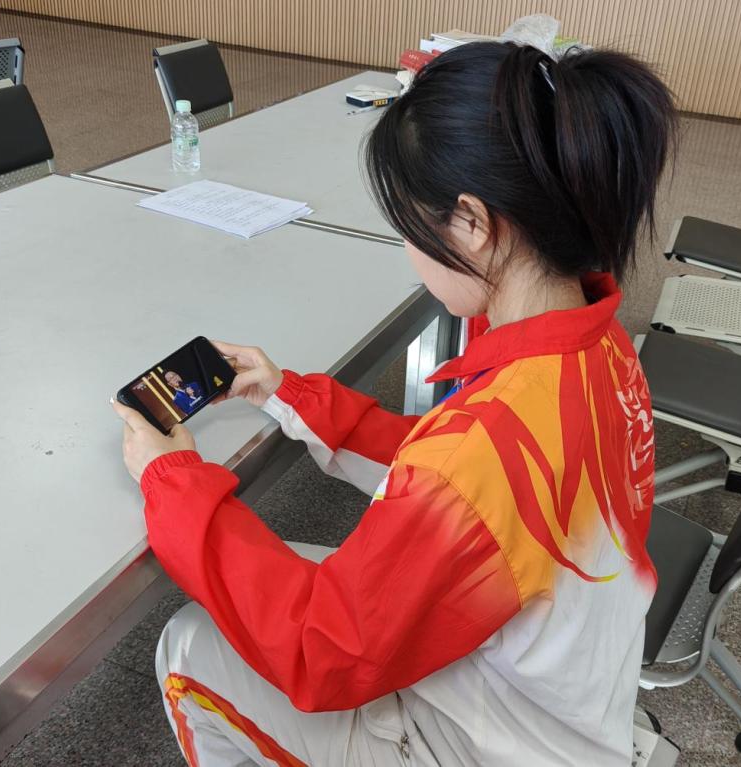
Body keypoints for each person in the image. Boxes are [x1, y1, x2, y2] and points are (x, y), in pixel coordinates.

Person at [113, 40, 674, 766]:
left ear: (472, 223)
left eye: (410, 229)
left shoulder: (480, 449)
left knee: (190, 644)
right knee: (288, 569)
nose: (410, 253)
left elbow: (320, 652)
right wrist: (290, 394)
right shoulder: (599, 346)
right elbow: (450, 476)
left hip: (492, 742)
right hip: (564, 697)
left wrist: (174, 481)